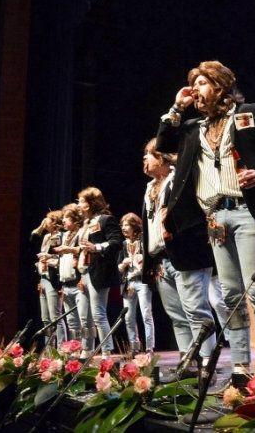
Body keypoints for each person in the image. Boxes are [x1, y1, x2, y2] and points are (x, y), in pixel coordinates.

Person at [156, 60, 255, 387]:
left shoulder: (250, 113)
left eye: (201, 83)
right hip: (215, 219)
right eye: (194, 84)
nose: (196, 90)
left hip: (247, 212)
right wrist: (177, 105)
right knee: (230, 295)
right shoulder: (192, 129)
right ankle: (242, 366)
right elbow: (163, 144)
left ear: (219, 85)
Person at [141, 138, 214, 372]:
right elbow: (148, 228)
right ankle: (188, 362)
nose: (144, 160)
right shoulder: (149, 189)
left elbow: (196, 215)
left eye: (148, 155)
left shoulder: (180, 181)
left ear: (161, 157)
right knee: (177, 315)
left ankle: (206, 361)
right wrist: (152, 261)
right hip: (162, 259)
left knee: (196, 311)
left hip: (187, 255)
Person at [77, 187, 122, 358]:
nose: (78, 205)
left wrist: (96, 247)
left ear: (88, 204)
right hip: (84, 272)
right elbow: (83, 248)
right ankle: (86, 349)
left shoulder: (105, 219)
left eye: (81, 202)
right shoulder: (85, 225)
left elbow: (117, 242)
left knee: (98, 314)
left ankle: (106, 351)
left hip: (100, 272)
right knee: (84, 316)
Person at [53, 204, 95, 358]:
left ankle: (87, 348)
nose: (63, 221)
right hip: (66, 284)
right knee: (72, 322)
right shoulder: (64, 236)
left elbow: (84, 254)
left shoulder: (81, 234)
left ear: (75, 220)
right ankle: (75, 347)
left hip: (79, 282)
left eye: (66, 218)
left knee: (85, 318)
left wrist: (82, 278)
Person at [118, 212, 155, 355]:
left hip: (142, 282)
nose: (123, 228)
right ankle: (134, 347)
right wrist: (123, 265)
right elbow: (118, 268)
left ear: (135, 226)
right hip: (129, 283)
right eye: (122, 225)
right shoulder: (123, 245)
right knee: (128, 317)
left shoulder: (143, 241)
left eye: (126, 224)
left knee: (146, 315)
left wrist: (141, 262)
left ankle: (149, 348)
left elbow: (150, 260)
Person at [31, 210, 66, 347]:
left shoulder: (60, 237)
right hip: (44, 277)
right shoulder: (46, 237)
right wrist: (40, 227)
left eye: (48, 220)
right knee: (45, 319)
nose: (45, 222)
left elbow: (61, 258)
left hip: (53, 279)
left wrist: (49, 258)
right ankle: (49, 350)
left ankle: (62, 349)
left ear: (55, 222)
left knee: (55, 317)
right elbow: (32, 238)